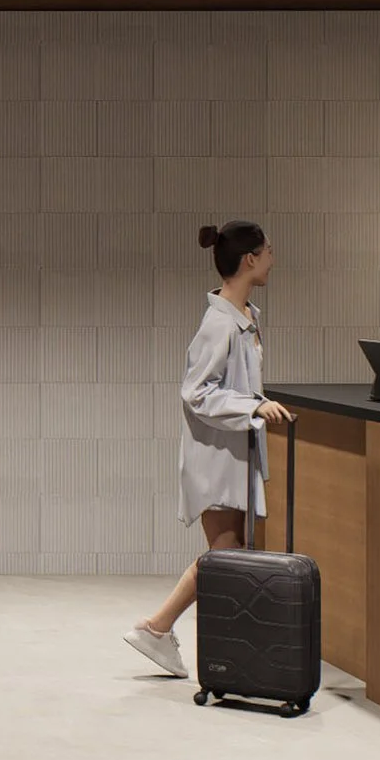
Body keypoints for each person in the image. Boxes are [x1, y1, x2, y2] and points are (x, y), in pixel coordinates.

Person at [124, 221, 293, 678]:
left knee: (230, 550)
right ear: (250, 259)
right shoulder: (219, 323)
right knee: (225, 550)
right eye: (269, 251)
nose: (273, 259)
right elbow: (196, 392)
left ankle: (174, 633)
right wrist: (253, 407)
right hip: (216, 457)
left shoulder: (244, 317)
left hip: (231, 453)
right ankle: (157, 628)